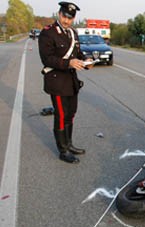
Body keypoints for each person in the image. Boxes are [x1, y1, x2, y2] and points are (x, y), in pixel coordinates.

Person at [38, 2, 93, 164]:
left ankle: (69, 144)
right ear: (59, 13)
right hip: (56, 81)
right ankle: (63, 150)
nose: (67, 21)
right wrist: (68, 63)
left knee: (71, 113)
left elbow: (78, 52)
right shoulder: (48, 33)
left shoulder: (73, 33)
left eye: (71, 18)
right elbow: (47, 58)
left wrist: (86, 61)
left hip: (71, 81)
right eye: (65, 16)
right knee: (61, 115)